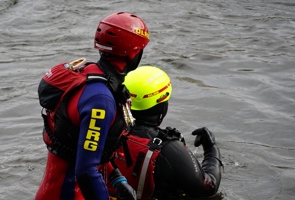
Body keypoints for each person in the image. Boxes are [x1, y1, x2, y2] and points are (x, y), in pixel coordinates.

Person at [35, 12, 150, 200]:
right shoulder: (100, 100)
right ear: (134, 52)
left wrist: (117, 179)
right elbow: (86, 170)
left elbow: (87, 147)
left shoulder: (88, 73)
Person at [102, 66, 223, 199]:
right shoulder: (169, 149)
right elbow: (207, 188)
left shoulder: (103, 128)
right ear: (162, 102)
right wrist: (211, 150)